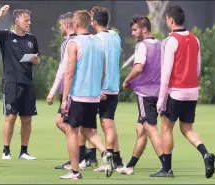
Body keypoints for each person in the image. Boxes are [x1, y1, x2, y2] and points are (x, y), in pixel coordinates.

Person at [151, 5, 215, 178]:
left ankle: (167, 169)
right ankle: (205, 154)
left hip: (175, 91)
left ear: (171, 20)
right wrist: (190, 82)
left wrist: (161, 99)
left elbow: (166, 74)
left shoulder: (170, 41)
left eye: (166, 19)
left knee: (166, 128)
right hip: (192, 90)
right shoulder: (195, 39)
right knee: (187, 128)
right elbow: (198, 67)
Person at [59, 10, 113, 180]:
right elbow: (104, 71)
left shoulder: (73, 43)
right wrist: (97, 89)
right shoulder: (98, 42)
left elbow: (69, 73)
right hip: (93, 95)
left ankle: (75, 171)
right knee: (88, 130)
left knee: (71, 131)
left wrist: (65, 98)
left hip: (78, 95)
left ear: (75, 24)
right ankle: (105, 152)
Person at [0, 5, 39, 160]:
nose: (29, 23)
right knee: (11, 116)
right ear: (17, 21)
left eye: (29, 20)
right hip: (11, 83)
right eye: (26, 20)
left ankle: (24, 151)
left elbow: (36, 58)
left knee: (27, 119)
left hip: (27, 83)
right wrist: (0, 15)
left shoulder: (31, 39)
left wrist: (36, 60)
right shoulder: (6, 36)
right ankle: (6, 150)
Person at [121, 16, 164, 175]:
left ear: (144, 29)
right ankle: (130, 165)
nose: (132, 33)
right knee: (141, 130)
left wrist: (127, 80)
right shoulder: (161, 45)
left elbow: (139, 68)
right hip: (158, 94)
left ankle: (166, 166)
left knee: (151, 129)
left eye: (135, 30)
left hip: (144, 94)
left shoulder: (142, 46)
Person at [87, 6, 124, 173]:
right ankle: (117, 160)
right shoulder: (115, 36)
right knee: (109, 124)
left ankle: (103, 158)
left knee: (94, 126)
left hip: (100, 89)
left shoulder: (96, 39)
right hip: (114, 87)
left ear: (94, 22)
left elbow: (95, 66)